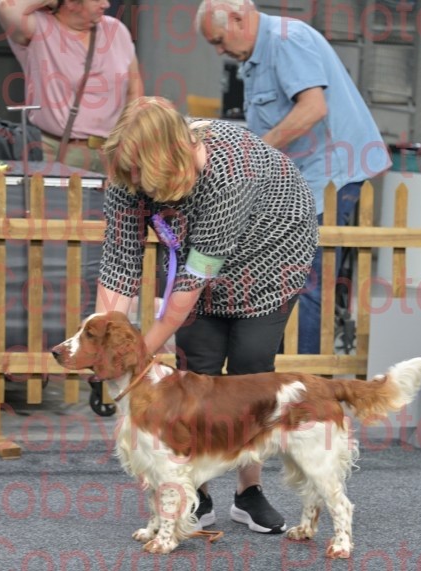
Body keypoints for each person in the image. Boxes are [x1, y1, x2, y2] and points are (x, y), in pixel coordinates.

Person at [95, 96, 319, 533]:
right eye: (128, 172)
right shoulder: (127, 176)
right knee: (196, 366)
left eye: (140, 172)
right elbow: (119, 262)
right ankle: (195, 492)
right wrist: (103, 342)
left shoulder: (230, 170)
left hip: (271, 257)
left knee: (251, 369)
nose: (133, 181)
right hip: (197, 256)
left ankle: (249, 492)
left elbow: (191, 285)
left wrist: (133, 357)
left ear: (167, 158)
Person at [196, 0, 391, 353]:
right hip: (305, 178)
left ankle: (304, 375)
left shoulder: (286, 39)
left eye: (219, 40)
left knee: (307, 282)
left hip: (329, 176)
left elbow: (313, 108)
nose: (219, 51)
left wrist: (253, 155)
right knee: (288, 277)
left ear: (238, 19)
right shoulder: (255, 58)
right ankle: (288, 367)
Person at [0, 0, 144, 173]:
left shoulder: (117, 31)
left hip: (111, 153)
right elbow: (6, 6)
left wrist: (130, 141)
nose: (106, 4)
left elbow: (134, 89)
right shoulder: (39, 28)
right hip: (57, 151)